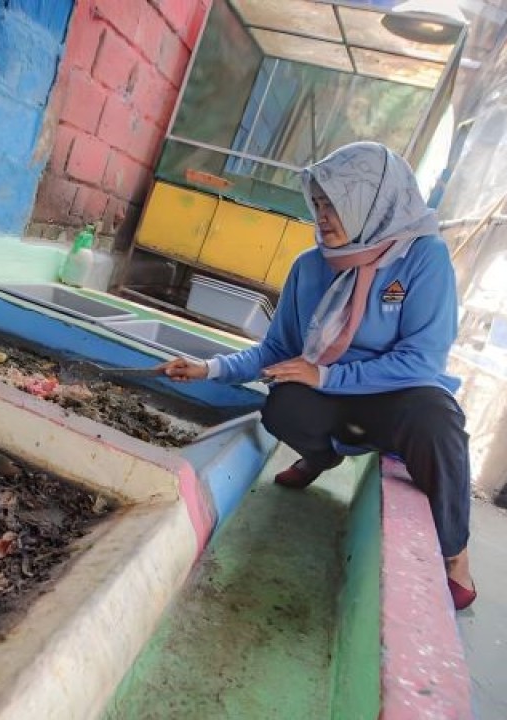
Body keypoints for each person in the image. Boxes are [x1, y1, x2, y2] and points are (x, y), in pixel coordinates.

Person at [158, 142, 477, 610]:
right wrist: (209, 368)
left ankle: (456, 553)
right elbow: (276, 351)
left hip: (399, 393)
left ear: (374, 202)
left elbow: (422, 361)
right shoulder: (310, 266)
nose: (322, 217)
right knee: (283, 404)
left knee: (439, 420)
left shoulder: (424, 258)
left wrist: (326, 377)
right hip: (332, 392)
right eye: (319, 204)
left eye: (336, 204)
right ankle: (321, 457)